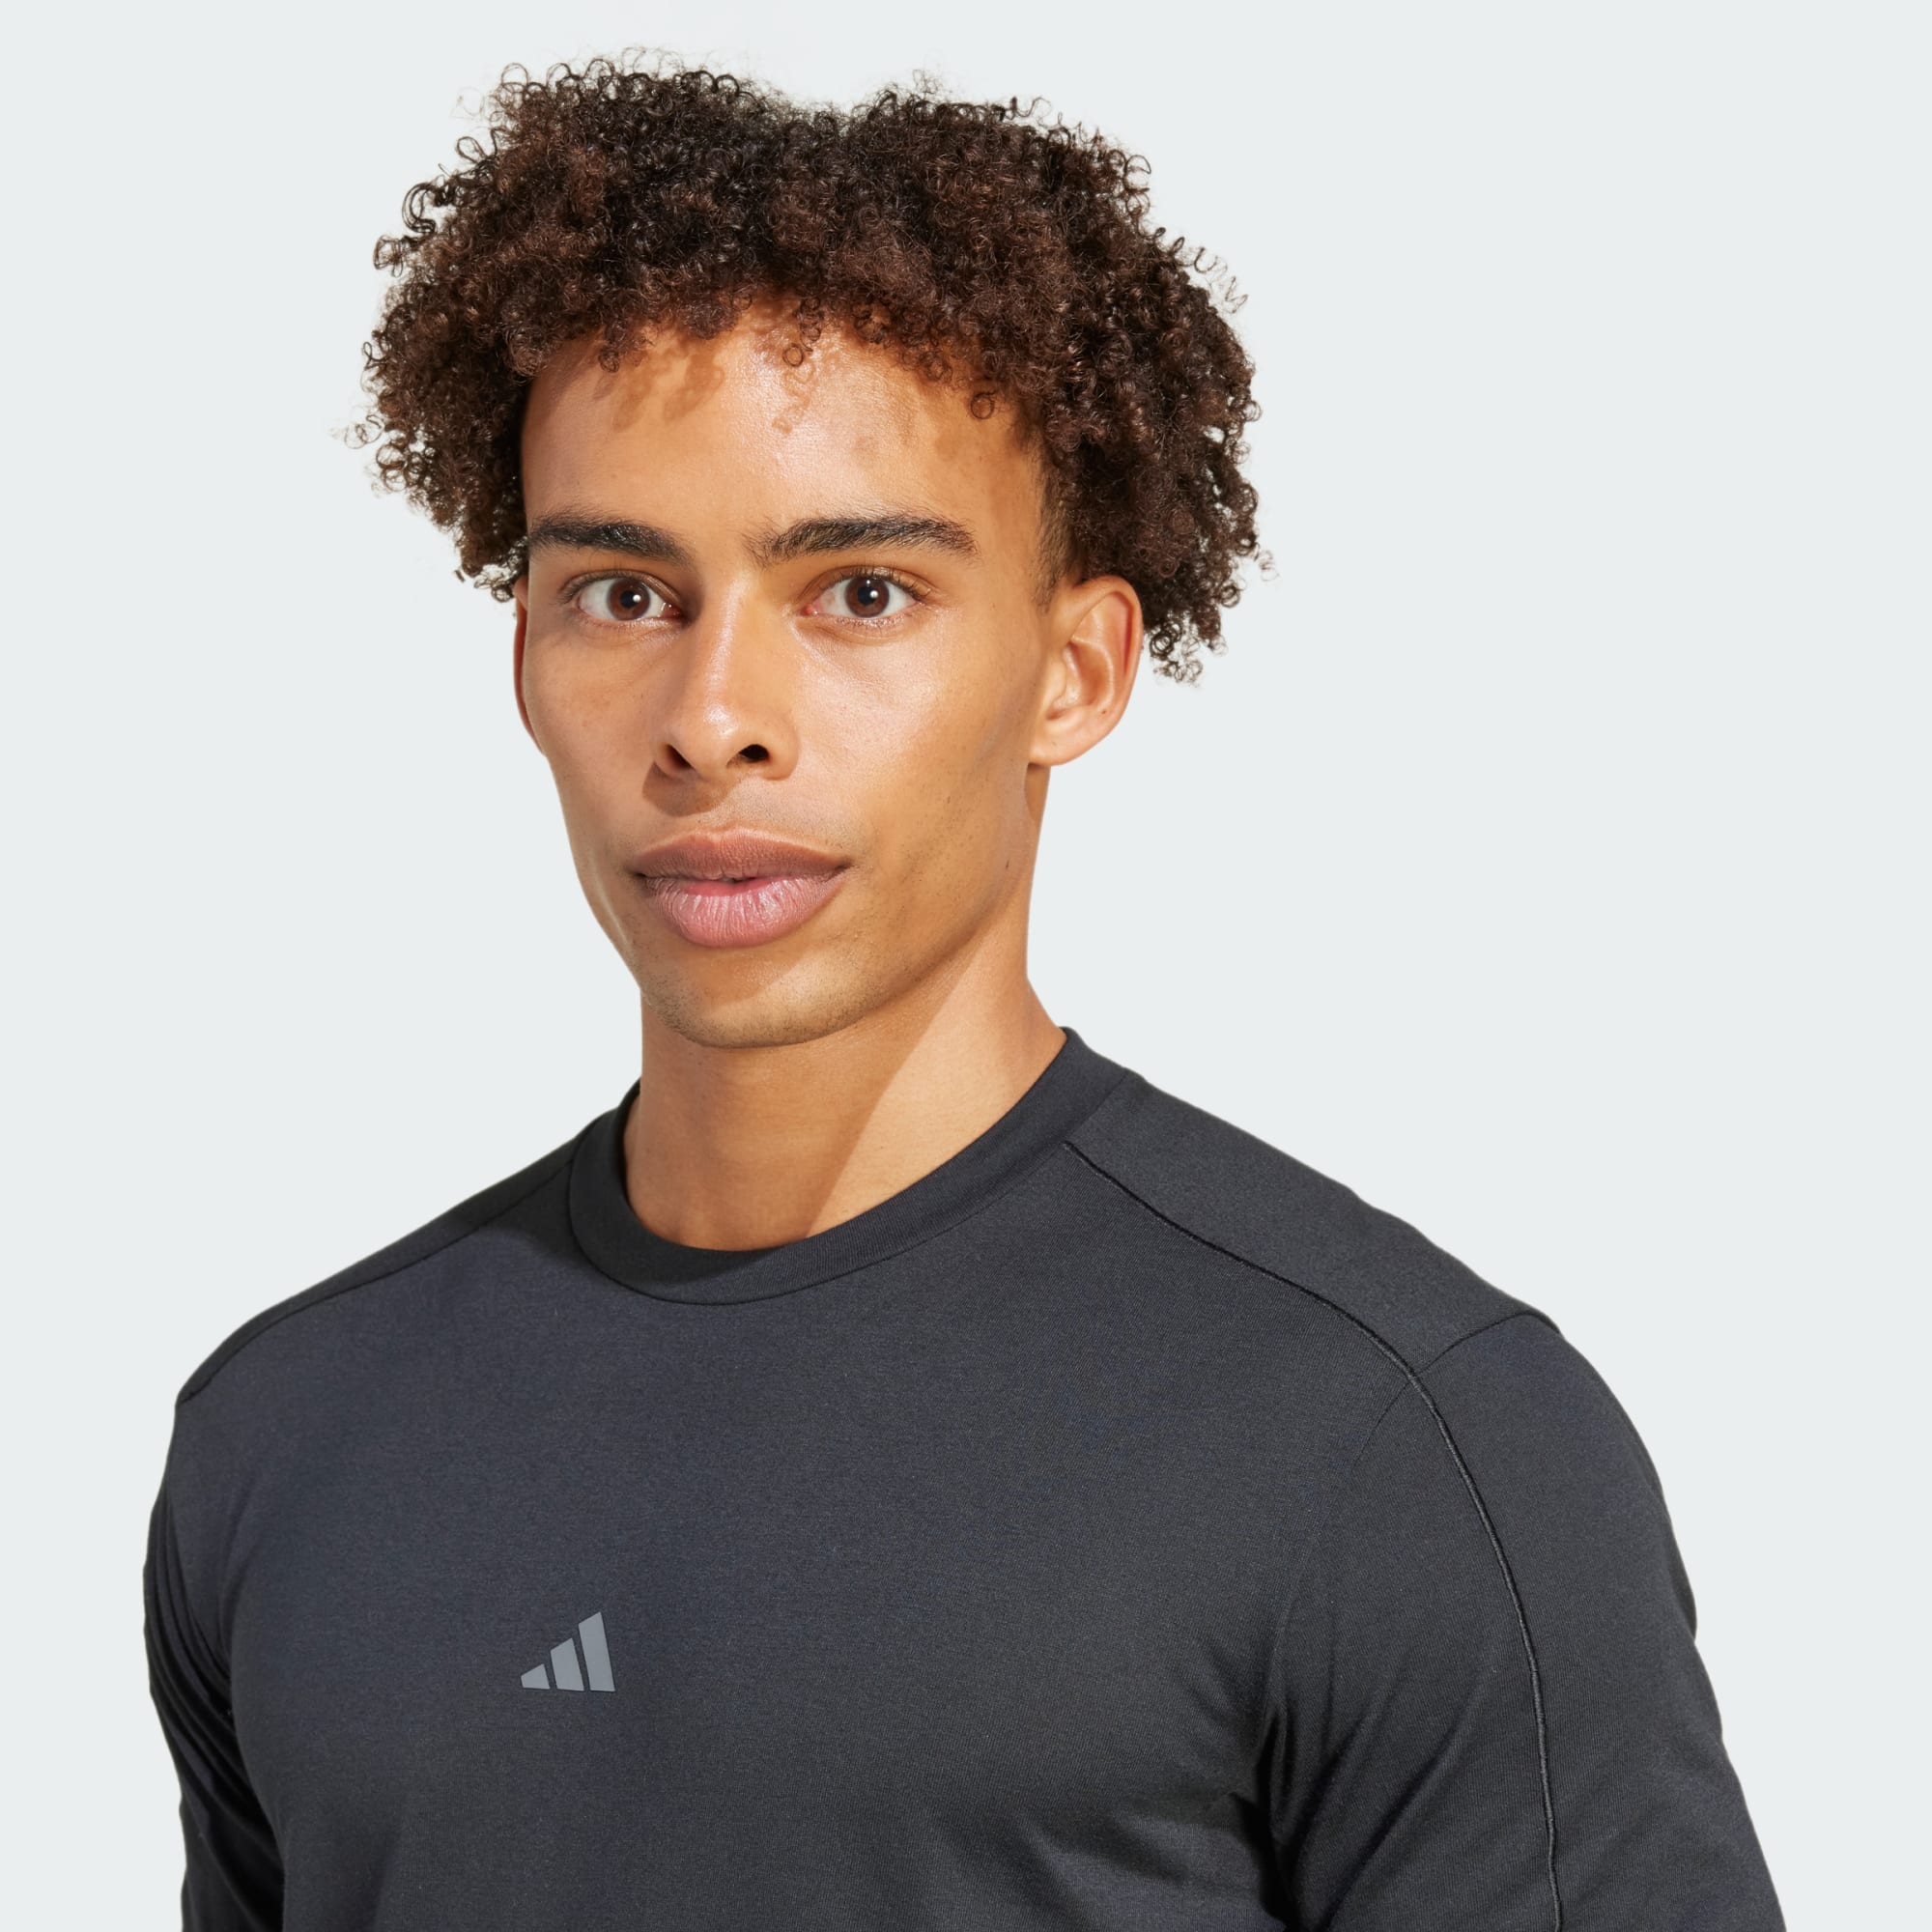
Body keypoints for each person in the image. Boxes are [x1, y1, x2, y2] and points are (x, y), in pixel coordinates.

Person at [142, 51, 1786, 1932]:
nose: (712, 720)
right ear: (523, 653)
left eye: (859, 593)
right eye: (623, 593)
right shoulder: (292, 1437)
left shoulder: (1399, 1445)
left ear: (1075, 671)